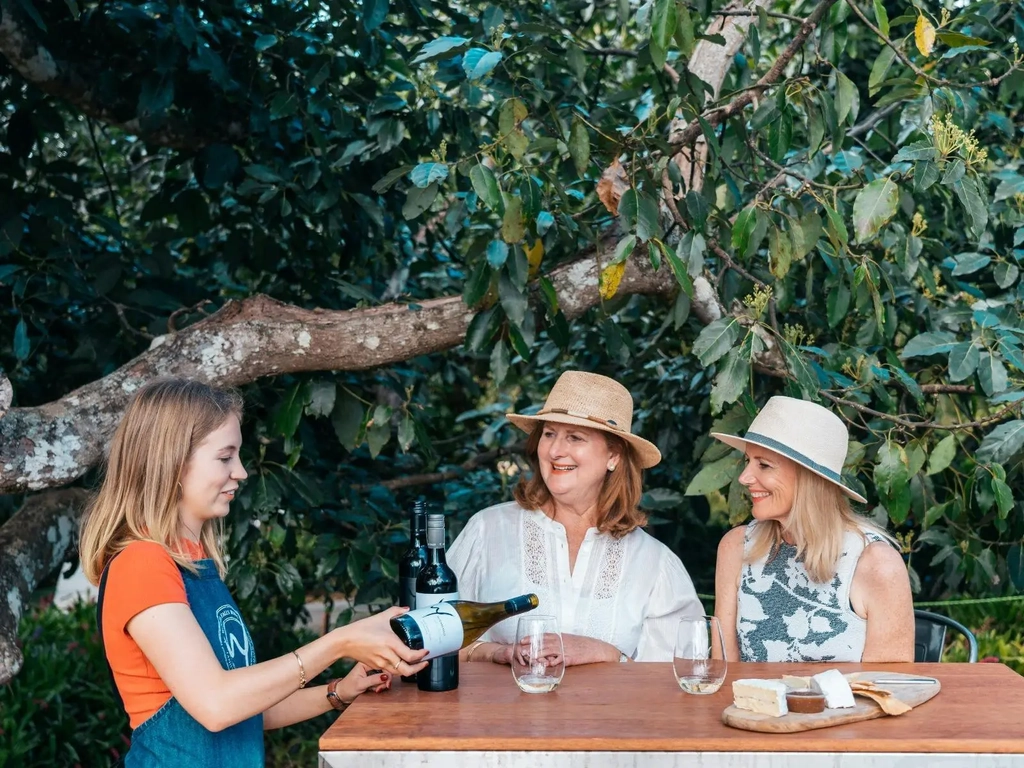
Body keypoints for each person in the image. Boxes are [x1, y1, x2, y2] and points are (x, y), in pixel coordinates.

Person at [78, 379, 427, 767]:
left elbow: (244, 710)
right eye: (225, 457)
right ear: (173, 462)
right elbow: (216, 704)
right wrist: (338, 643)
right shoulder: (142, 564)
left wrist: (339, 691)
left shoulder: (193, 566)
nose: (241, 472)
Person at [448, 370, 703, 665]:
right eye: (549, 434)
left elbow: (683, 674)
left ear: (614, 456)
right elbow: (433, 639)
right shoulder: (487, 531)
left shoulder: (654, 563)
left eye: (575, 437)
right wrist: (499, 653)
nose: (556, 451)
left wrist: (606, 653)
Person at [711, 395, 915, 663]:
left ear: (809, 478)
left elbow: (887, 692)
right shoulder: (736, 547)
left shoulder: (877, 564)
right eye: (747, 461)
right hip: (747, 706)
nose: (744, 478)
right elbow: (723, 673)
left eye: (763, 464)